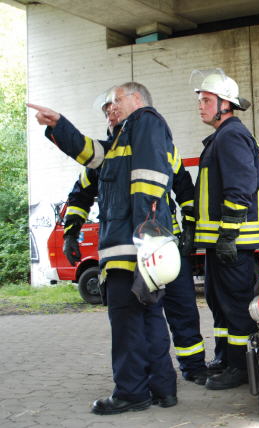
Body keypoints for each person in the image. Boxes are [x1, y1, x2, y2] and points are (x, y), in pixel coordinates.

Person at [28, 82, 178, 414]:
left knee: (126, 323)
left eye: (115, 101)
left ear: (137, 100)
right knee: (149, 318)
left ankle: (131, 393)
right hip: (139, 246)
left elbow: (149, 182)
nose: (109, 108)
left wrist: (145, 242)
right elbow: (92, 155)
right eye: (107, 105)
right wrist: (59, 125)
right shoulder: (123, 138)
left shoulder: (145, 122)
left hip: (131, 247)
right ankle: (162, 390)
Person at [62, 94, 209, 387]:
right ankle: (157, 379)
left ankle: (193, 366)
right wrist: (71, 230)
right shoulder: (102, 156)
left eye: (113, 107)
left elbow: (184, 188)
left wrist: (190, 225)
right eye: (105, 110)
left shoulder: (157, 145)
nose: (110, 114)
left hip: (167, 247)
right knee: (147, 316)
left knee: (182, 309)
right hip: (133, 253)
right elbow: (79, 195)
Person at [191, 68, 259, 390]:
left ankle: (242, 368)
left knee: (237, 307)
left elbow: (241, 186)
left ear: (226, 104)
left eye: (206, 100)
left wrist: (228, 233)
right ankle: (225, 358)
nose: (200, 105)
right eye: (200, 100)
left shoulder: (232, 135)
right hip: (220, 244)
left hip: (233, 243)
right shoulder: (220, 137)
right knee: (219, 303)